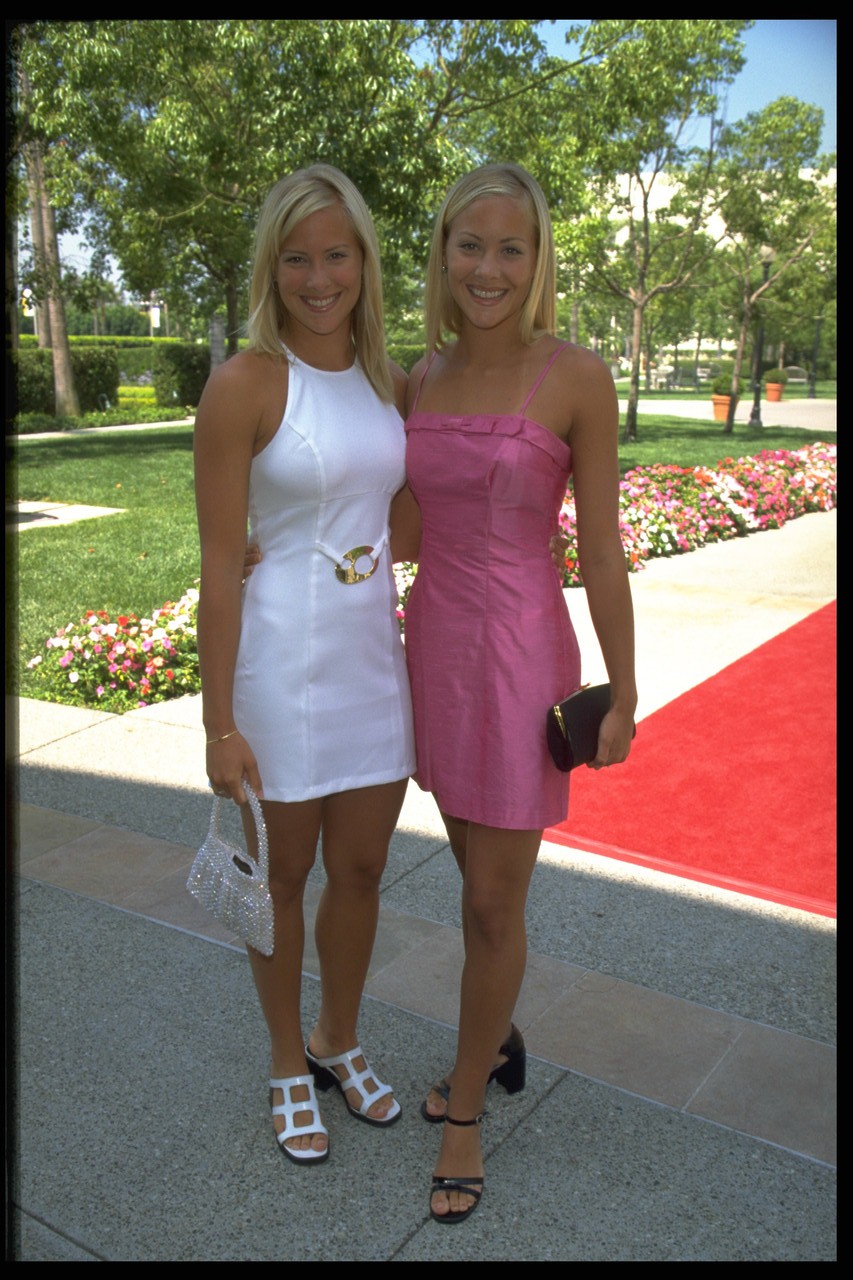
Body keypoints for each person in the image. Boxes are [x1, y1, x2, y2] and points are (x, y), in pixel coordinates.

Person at [402, 163, 637, 1223]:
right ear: (443, 253)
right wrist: (295, 547)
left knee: (496, 902)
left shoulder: (576, 374)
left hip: (521, 653)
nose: (487, 267)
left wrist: (622, 689)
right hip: (433, 649)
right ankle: (495, 1038)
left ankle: (465, 1113)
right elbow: (406, 525)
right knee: (471, 881)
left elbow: (600, 547)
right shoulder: (418, 377)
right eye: (470, 244)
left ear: (537, 259)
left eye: (511, 247)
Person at [193, 164, 417, 1166]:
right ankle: (288, 1061)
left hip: (371, 661)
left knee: (361, 870)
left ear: (363, 262)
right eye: (296, 259)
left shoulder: (389, 383)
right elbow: (218, 564)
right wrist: (218, 723)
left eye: (336, 255)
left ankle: (337, 1035)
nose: (318, 279)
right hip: (277, 668)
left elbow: (401, 525)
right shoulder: (244, 383)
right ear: (270, 268)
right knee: (281, 878)